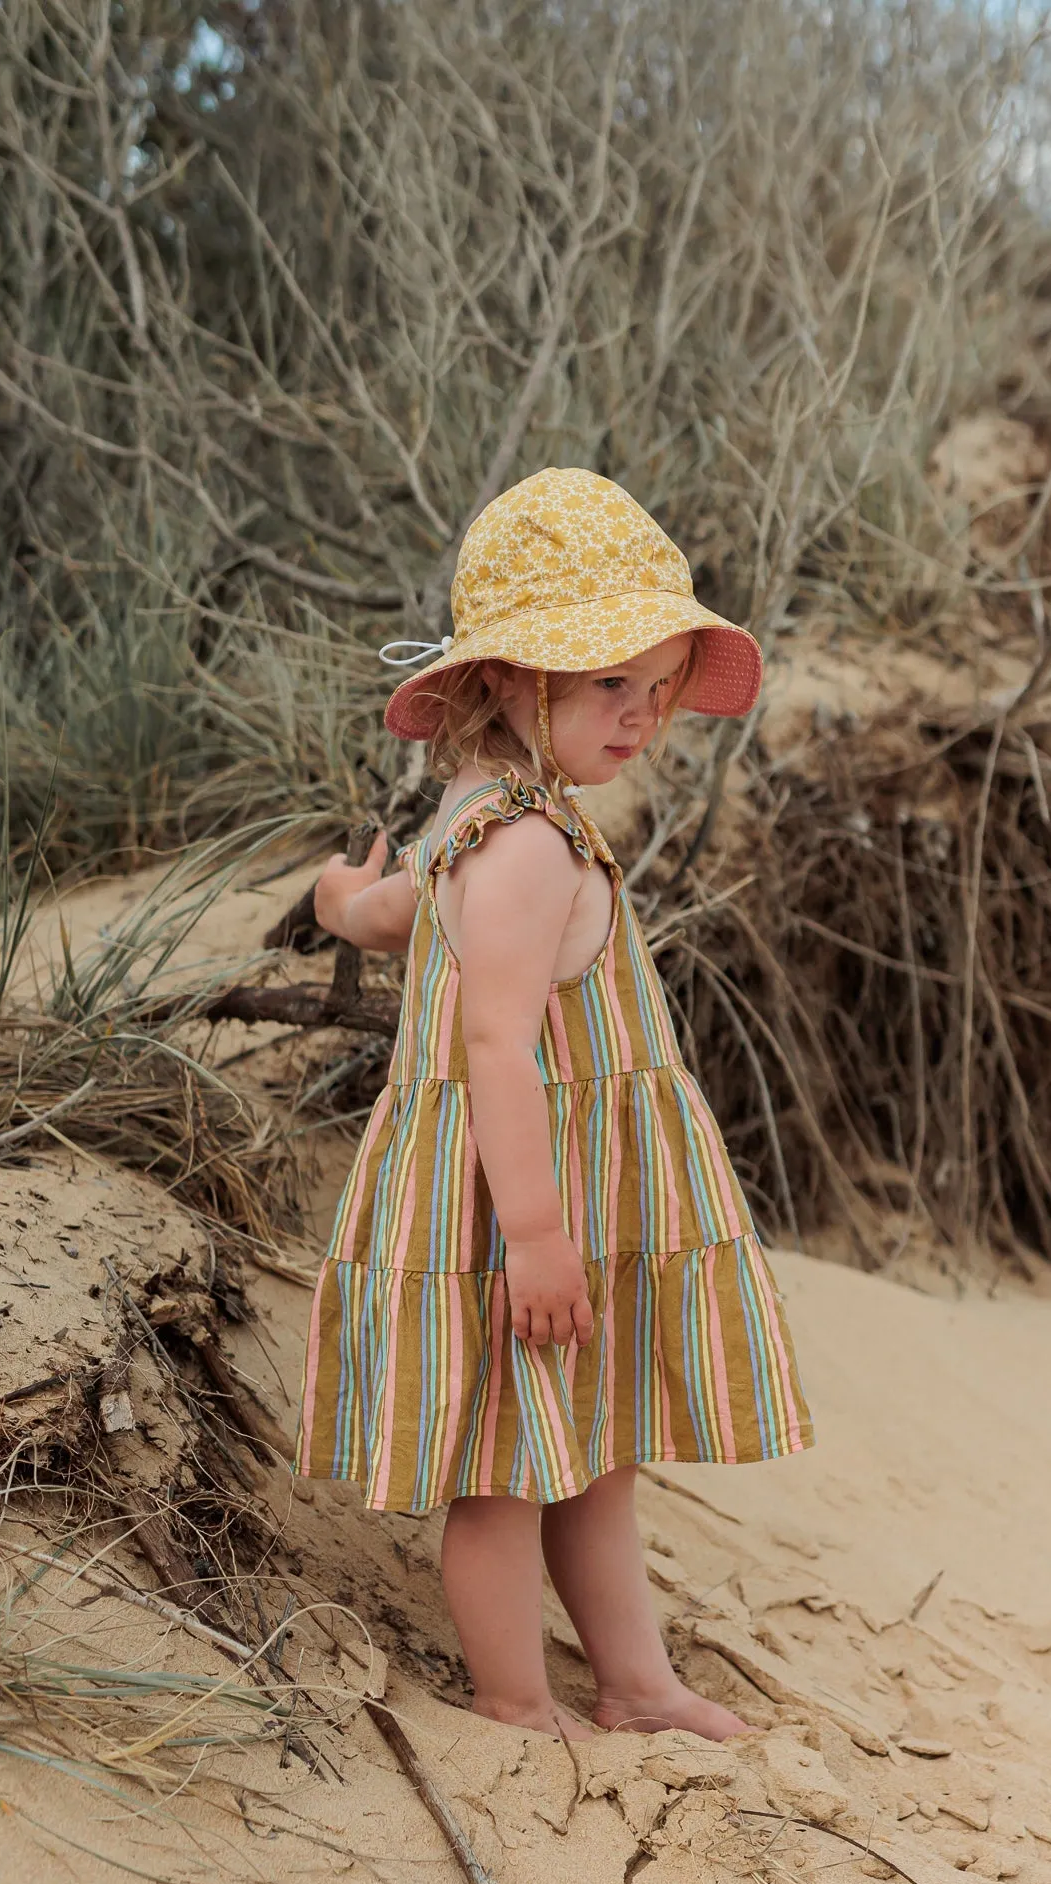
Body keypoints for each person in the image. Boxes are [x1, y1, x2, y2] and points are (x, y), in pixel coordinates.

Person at [294, 468, 814, 1743]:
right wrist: (531, 1231)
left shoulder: (475, 812)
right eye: (606, 688)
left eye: (656, 688)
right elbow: (497, 1042)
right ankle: (516, 1701)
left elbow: (395, 904)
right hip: (517, 1197)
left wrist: (335, 904)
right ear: (513, 681)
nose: (640, 717)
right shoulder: (525, 843)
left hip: (549, 1188)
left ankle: (635, 1680)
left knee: (586, 1448)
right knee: (500, 1474)